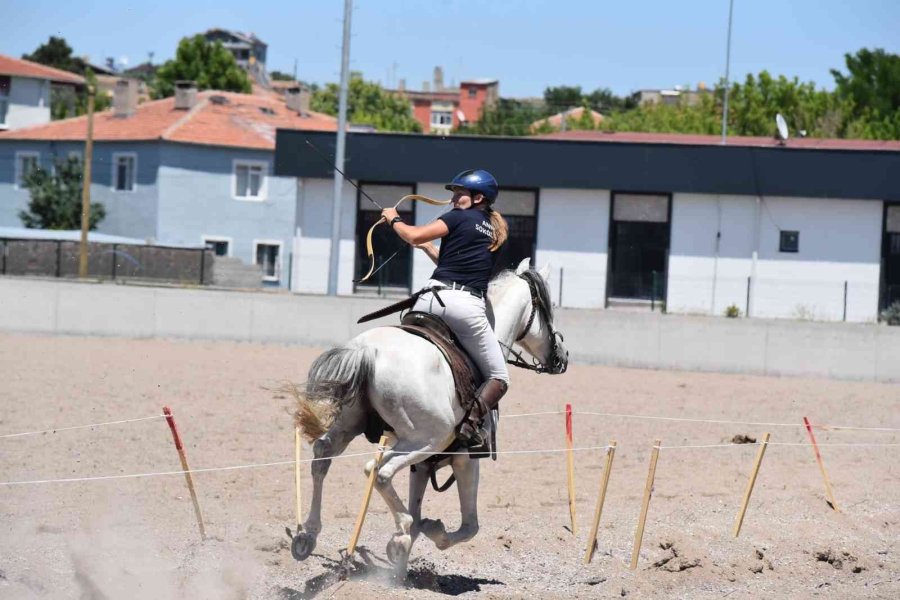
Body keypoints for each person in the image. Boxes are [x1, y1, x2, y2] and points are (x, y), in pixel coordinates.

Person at [380, 169, 509, 447]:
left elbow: (412, 235)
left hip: (429, 299)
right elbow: (460, 267)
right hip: (464, 307)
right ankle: (469, 427)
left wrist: (393, 219)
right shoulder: (494, 230)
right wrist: (428, 248)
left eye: (458, 194)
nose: (452, 200)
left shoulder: (457, 217)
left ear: (478, 198)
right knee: (499, 377)